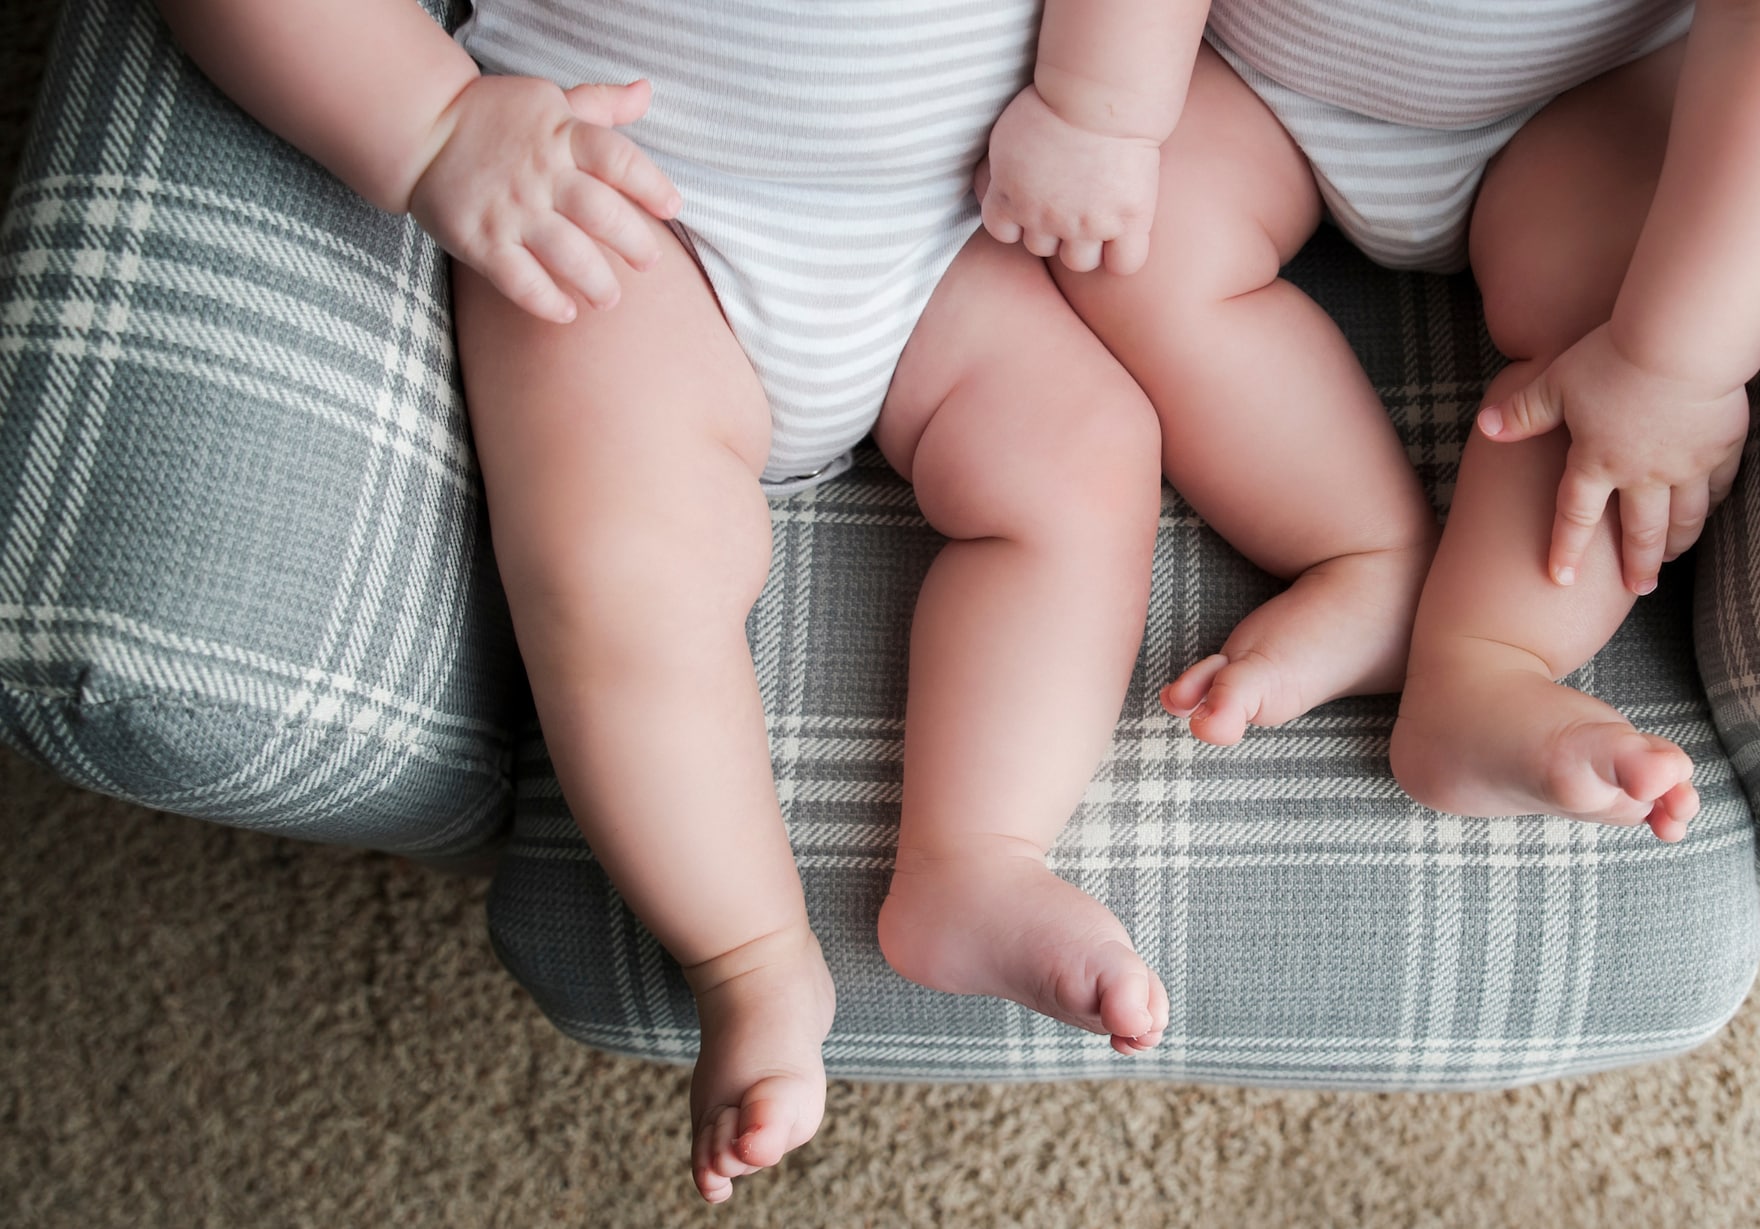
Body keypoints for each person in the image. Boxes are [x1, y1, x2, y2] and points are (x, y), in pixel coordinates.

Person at [151, 0, 1208, 1203]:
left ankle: (979, 855)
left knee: (1081, 459)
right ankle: (750, 956)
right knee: (619, 571)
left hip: (953, 223)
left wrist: (1097, 108)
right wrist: (433, 127)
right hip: (622, 220)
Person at [999, 0, 1760, 841]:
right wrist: (1097, 116)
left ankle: (1487, 668)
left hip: (1587, 102)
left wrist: (1676, 361)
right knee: (1132, 247)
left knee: (1621, 359)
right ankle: (1366, 556)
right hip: (1249, 70)